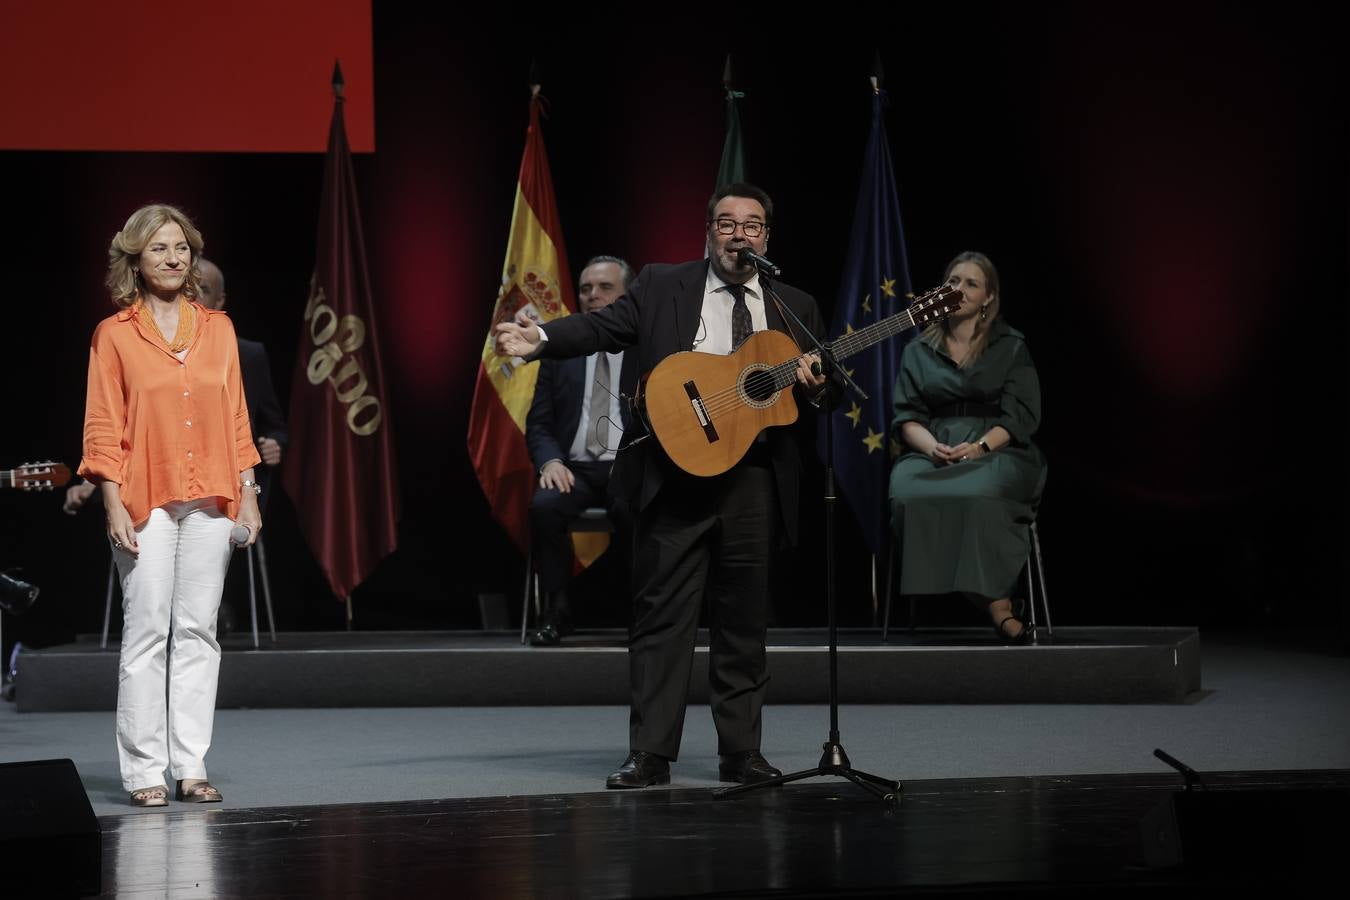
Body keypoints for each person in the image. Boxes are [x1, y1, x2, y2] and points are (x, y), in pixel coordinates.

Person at [497, 182, 829, 789]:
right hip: (675, 479)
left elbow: (814, 392)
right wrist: (540, 340)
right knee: (662, 621)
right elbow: (602, 328)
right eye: (726, 224)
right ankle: (650, 755)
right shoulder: (663, 284)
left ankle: (742, 755)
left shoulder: (793, 306)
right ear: (709, 232)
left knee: (744, 622)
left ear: (766, 238)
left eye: (752, 225)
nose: (739, 234)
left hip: (755, 480)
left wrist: (815, 386)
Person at [79, 204, 262, 807]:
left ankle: (190, 764)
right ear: (135, 257)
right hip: (143, 496)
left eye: (180, 247)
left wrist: (249, 495)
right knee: (148, 631)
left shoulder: (219, 329)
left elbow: (237, 416)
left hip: (211, 493)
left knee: (198, 632)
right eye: (158, 248)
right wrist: (109, 502)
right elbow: (103, 427)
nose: (172, 257)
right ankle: (143, 771)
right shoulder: (114, 334)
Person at [887, 251, 1047, 643]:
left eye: (971, 283)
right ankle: (996, 606)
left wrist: (978, 447)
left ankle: (998, 605)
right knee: (907, 490)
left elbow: (1020, 416)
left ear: (988, 297)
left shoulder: (1011, 346)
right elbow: (906, 417)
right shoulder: (918, 349)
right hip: (933, 447)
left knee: (979, 493)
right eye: (953, 282)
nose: (959, 289)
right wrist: (931, 448)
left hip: (997, 448)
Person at [525, 255, 637, 646]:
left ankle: (641, 612)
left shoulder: (646, 347)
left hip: (629, 465)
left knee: (640, 508)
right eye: (586, 288)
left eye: (605, 287)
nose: (593, 296)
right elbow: (538, 422)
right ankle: (558, 611)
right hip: (575, 468)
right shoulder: (562, 351)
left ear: (628, 295)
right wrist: (550, 460)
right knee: (544, 507)